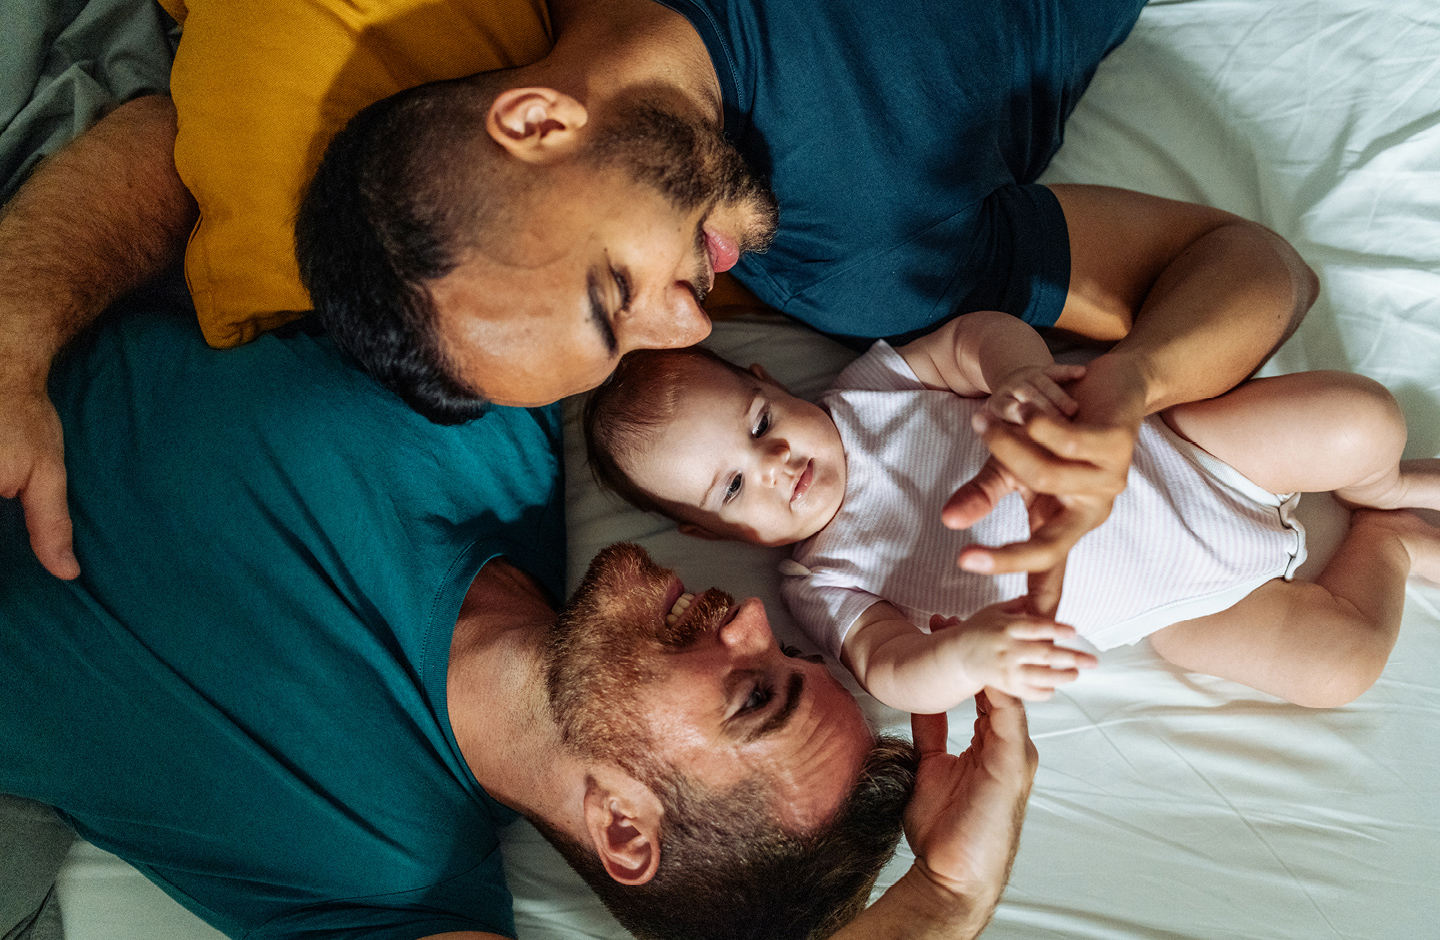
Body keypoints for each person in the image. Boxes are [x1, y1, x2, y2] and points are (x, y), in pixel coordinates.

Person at [3, 0, 1318, 594]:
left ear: (532, 119)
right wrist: (1129, 392)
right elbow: (1252, 267)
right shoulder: (862, 265)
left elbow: (189, 97)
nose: (688, 320)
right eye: (634, 331)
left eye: (611, 290)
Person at [0, 294, 1035, 940]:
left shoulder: (389, 881)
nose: (756, 623)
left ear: (625, 826)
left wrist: (943, 900)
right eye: (792, 650)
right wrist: (20, 316)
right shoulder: (507, 414)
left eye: (754, 695)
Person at [582, 312, 1440, 711]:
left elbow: (972, 337)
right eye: (733, 489)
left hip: (1190, 455)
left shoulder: (871, 393)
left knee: (1360, 420)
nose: (773, 465)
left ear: (768, 384)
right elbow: (889, 670)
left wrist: (1018, 374)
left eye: (759, 424)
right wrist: (968, 652)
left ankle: (1388, 489)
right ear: (709, 532)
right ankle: (1392, 547)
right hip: (1181, 607)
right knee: (1341, 669)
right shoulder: (822, 581)